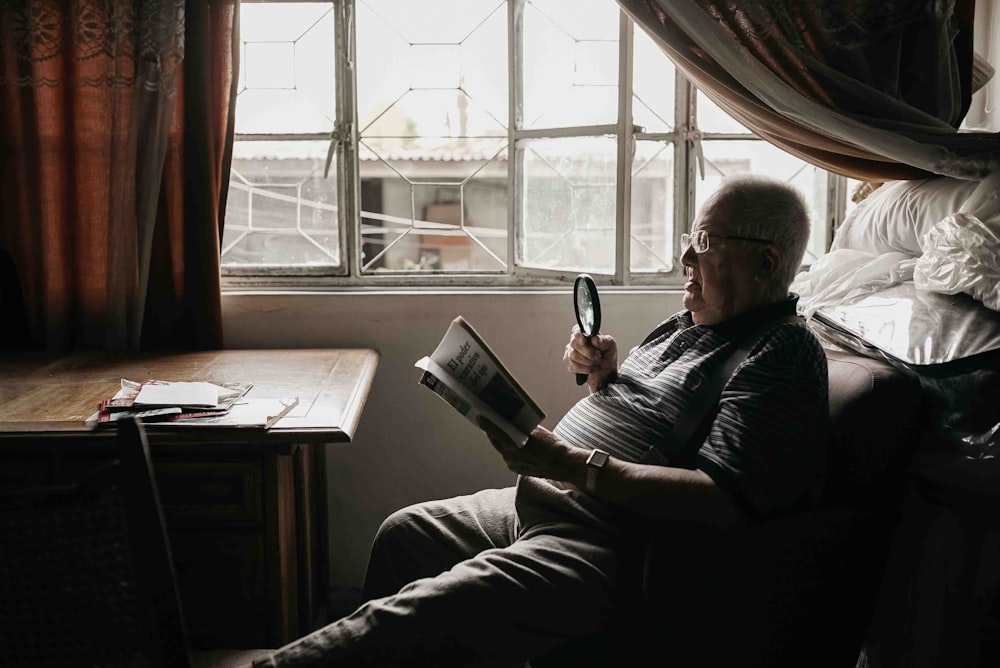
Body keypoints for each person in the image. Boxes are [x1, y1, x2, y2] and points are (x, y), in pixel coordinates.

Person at [252, 175, 830, 667]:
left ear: (766, 261)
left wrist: (567, 463)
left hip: (612, 542)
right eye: (689, 239)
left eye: (703, 242)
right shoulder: (695, 322)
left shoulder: (781, 352)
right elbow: (661, 420)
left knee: (411, 617)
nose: (684, 258)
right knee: (405, 534)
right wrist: (607, 375)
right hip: (549, 498)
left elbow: (724, 500)